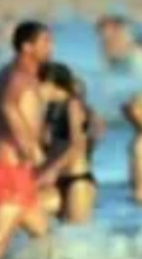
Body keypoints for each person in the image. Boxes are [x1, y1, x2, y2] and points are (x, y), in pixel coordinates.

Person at [0, 21, 55, 259]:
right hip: (9, 171)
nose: (51, 48)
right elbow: (9, 106)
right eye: (45, 42)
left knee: (45, 239)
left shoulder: (7, 74)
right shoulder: (19, 76)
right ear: (27, 47)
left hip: (15, 170)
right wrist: (31, 147)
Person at [40, 62, 98, 224]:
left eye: (40, 84)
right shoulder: (50, 109)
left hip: (77, 180)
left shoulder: (73, 105)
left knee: (76, 236)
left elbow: (76, 144)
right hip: (57, 179)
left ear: (52, 83)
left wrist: (52, 170)